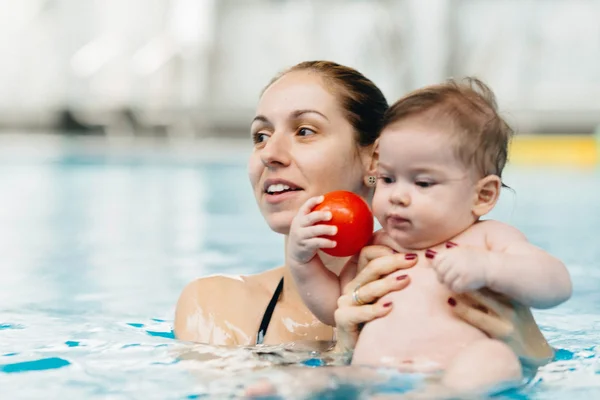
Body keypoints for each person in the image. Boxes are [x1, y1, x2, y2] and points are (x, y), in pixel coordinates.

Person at [173, 61, 556, 371]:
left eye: (304, 131)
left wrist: (530, 355)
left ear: (374, 159)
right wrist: (342, 356)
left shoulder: (479, 294)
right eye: (260, 136)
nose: (269, 153)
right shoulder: (216, 305)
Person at [286, 77, 572, 394]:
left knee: (495, 359)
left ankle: (444, 393)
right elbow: (334, 307)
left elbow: (556, 284)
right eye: (388, 178)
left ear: (483, 196)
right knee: (311, 380)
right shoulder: (377, 247)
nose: (398, 196)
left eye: (422, 183)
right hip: (373, 371)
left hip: (452, 374)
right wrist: (303, 261)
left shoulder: (488, 239)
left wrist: (489, 268)